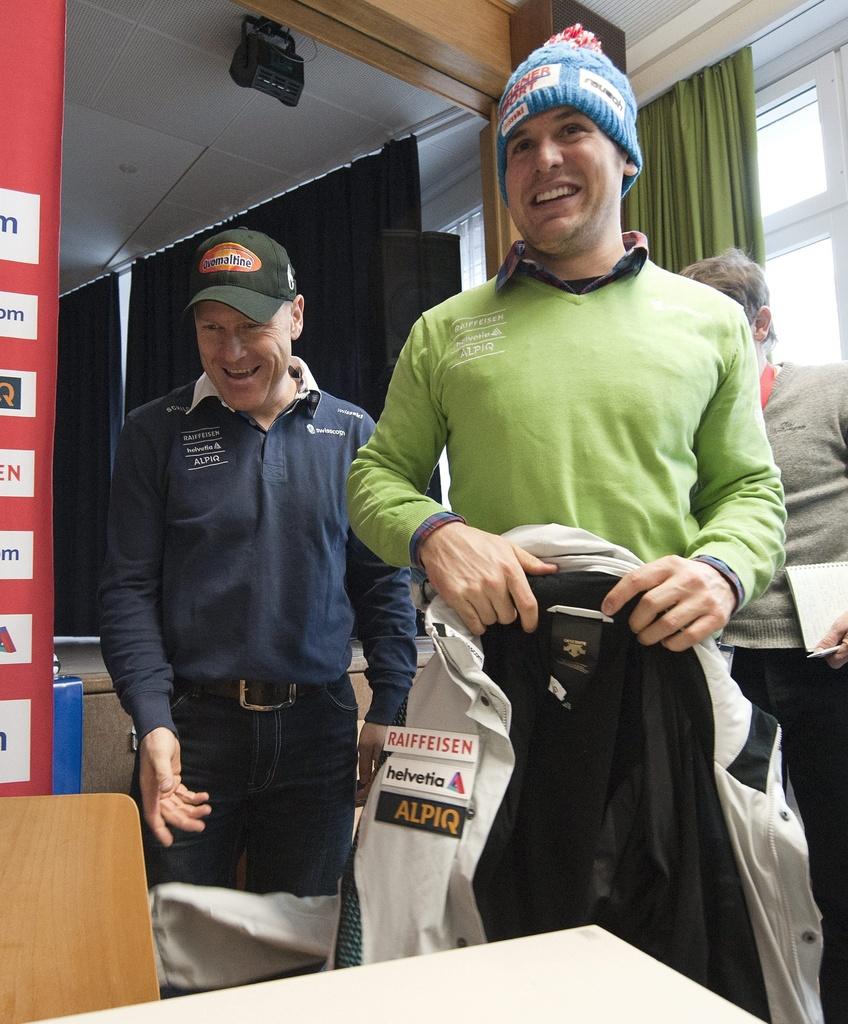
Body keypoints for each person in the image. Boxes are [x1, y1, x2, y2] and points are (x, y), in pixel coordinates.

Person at [346, 24, 798, 1019]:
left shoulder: (706, 321)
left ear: (624, 154)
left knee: (674, 948)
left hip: (658, 677)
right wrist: (434, 533)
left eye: (569, 132)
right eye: (517, 143)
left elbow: (750, 496)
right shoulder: (447, 330)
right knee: (484, 945)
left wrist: (720, 570)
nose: (542, 160)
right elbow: (374, 478)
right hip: (491, 685)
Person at [100, 226, 417, 897]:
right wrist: (151, 719)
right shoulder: (155, 432)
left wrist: (390, 701)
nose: (232, 351)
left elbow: (382, 582)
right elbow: (128, 590)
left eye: (251, 326)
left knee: (303, 952)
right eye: (212, 328)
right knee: (176, 943)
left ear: (296, 315)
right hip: (191, 733)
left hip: (318, 733)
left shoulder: (355, 434)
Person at [681, 248, 848, 1024]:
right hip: (726, 670)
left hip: (831, 664)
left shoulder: (830, 391)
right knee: (745, 867)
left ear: (762, 326)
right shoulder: (684, 425)